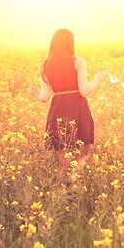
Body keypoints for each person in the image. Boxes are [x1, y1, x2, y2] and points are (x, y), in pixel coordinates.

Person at [29, 29, 107, 174]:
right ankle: (75, 178)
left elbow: (44, 97)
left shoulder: (45, 65)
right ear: (70, 43)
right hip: (77, 108)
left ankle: (63, 184)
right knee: (83, 150)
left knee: (63, 159)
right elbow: (84, 91)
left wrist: (37, 94)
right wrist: (98, 79)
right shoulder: (78, 61)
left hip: (58, 110)